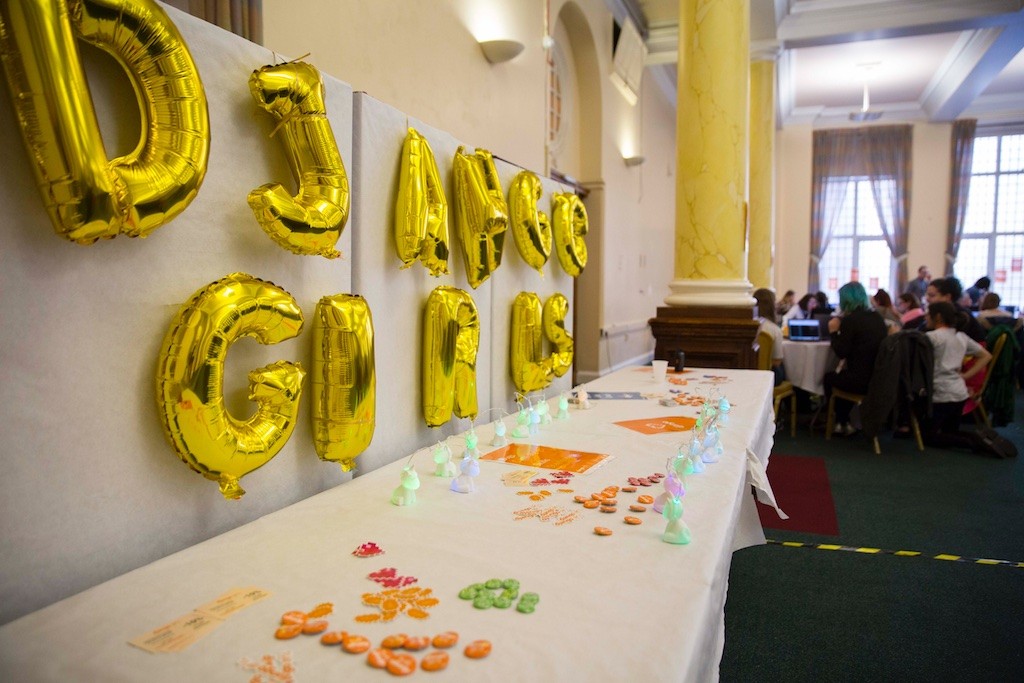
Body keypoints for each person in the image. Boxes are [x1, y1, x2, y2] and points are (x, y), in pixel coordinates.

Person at [823, 282, 889, 436]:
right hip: (877, 378)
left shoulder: (850, 320)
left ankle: (836, 420)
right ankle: (844, 420)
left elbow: (842, 352)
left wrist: (833, 332)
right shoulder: (877, 318)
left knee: (829, 378)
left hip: (859, 381)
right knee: (843, 377)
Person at [923, 302, 991, 449]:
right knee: (951, 431)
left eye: (928, 313)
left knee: (929, 437)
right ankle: (978, 438)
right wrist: (965, 376)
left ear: (938, 317)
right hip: (960, 394)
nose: (925, 316)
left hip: (941, 394)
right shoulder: (961, 336)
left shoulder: (932, 337)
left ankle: (972, 443)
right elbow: (986, 356)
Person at [924, 277, 986, 342]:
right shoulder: (939, 313)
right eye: (927, 295)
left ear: (947, 297)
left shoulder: (959, 315)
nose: (927, 299)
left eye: (932, 295)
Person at [753, 288, 786, 385]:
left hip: (748, 371)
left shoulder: (747, 326)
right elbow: (776, 361)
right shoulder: (774, 329)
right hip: (767, 376)